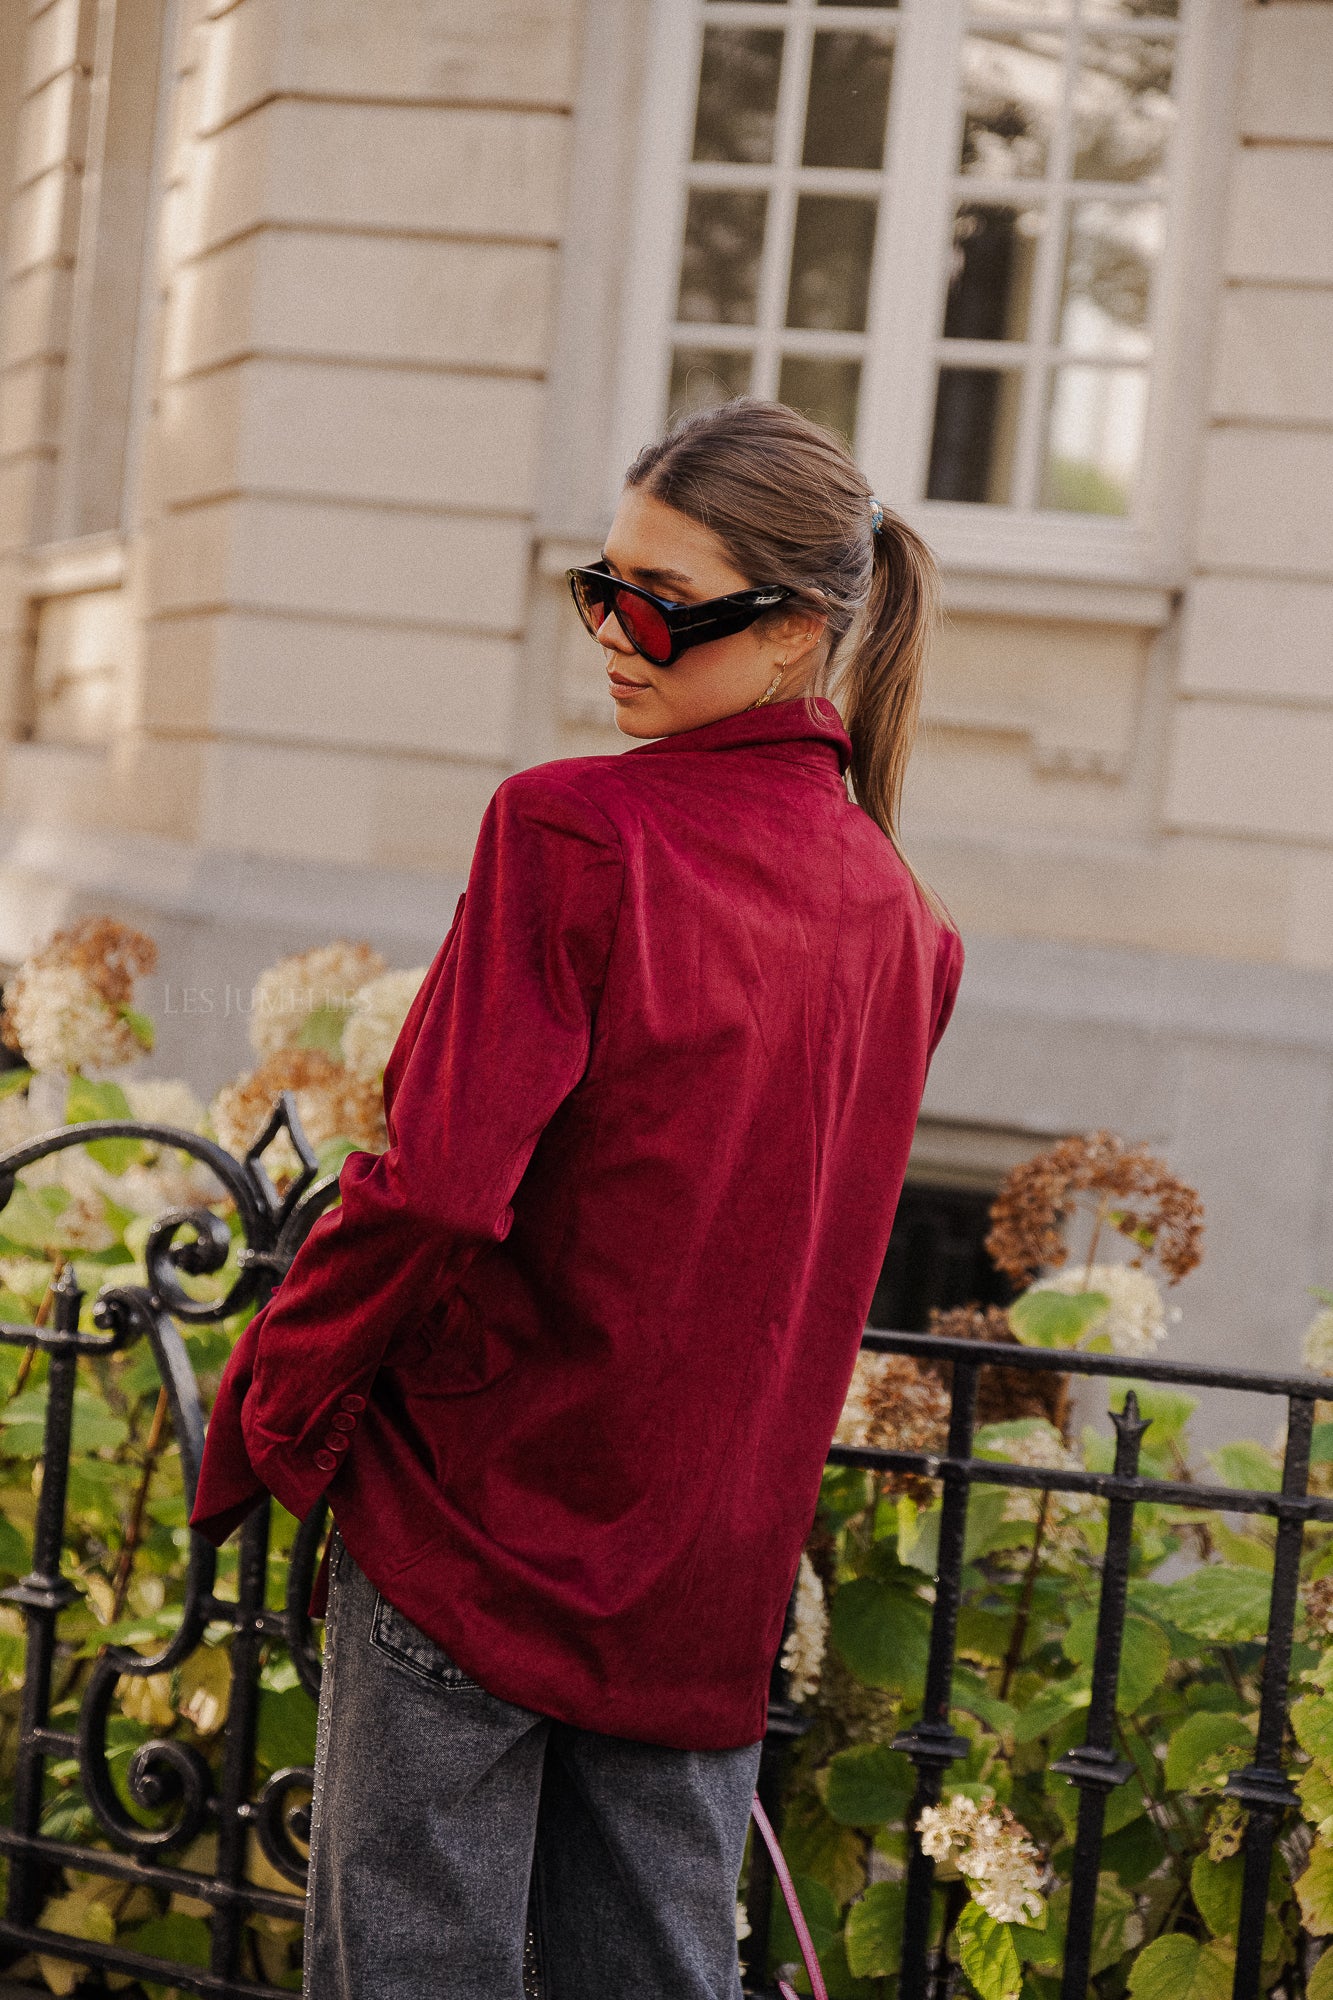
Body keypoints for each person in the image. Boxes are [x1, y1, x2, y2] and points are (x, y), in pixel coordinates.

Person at [190, 397, 965, 1999]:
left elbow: (432, 1190)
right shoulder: (903, 923)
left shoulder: (575, 829)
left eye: (662, 606)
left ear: (799, 631)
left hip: (482, 1518)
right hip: (702, 1572)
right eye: (596, 587)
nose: (614, 636)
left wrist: (275, 1403)